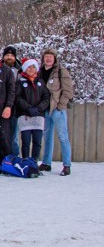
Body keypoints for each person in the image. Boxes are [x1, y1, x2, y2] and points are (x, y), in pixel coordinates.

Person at [39, 48, 74, 176]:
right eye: (46, 56)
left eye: (50, 57)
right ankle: (46, 163)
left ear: (54, 59)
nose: (48, 59)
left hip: (57, 109)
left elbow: (68, 90)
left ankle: (67, 165)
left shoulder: (61, 71)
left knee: (63, 136)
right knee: (47, 137)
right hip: (45, 109)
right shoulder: (40, 71)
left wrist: (61, 105)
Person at [15, 59, 50, 162]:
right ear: (25, 69)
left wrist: (39, 108)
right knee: (25, 142)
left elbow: (46, 97)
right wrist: (28, 108)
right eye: (29, 67)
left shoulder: (41, 82)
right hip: (25, 115)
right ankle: (26, 161)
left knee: (37, 142)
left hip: (38, 115)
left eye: (33, 67)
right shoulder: (20, 82)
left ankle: (34, 162)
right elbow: (17, 97)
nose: (31, 69)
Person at [3, 45, 23, 157]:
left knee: (13, 136)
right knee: (2, 135)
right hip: (0, 106)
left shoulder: (20, 70)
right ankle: (4, 159)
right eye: (7, 55)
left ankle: (15, 158)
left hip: (14, 107)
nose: (9, 57)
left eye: (11, 55)